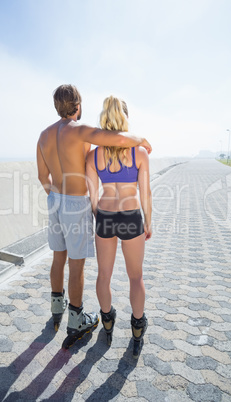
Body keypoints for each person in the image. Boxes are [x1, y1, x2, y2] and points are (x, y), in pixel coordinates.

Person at [37, 84, 152, 348]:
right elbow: (121, 141)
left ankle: (64, 311)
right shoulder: (81, 131)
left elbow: (44, 178)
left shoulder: (45, 136)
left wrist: (58, 198)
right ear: (77, 105)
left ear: (57, 106)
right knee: (87, 266)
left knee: (65, 259)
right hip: (96, 207)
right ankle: (83, 320)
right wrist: (141, 140)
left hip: (59, 201)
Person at [86, 96, 152, 358]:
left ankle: (107, 321)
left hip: (105, 215)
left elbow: (92, 197)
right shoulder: (140, 152)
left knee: (104, 276)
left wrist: (100, 217)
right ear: (125, 118)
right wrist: (148, 221)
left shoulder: (93, 155)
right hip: (131, 215)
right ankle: (137, 328)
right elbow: (145, 194)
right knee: (136, 277)